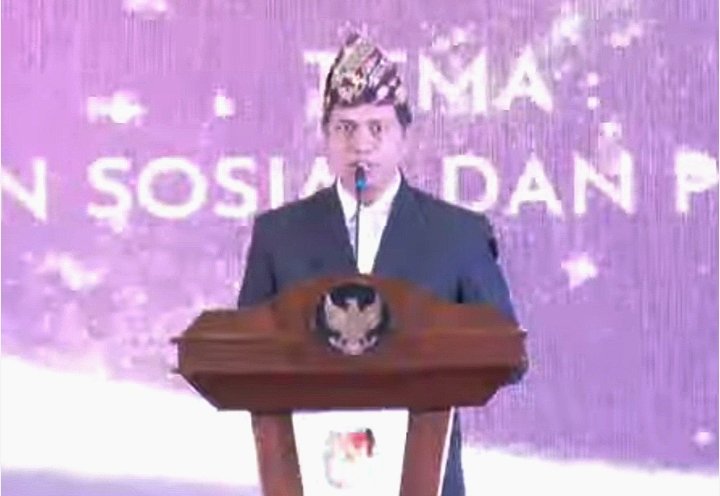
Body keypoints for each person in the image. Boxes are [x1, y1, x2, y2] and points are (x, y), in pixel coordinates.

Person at [238, 32, 524, 496]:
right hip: (313, 477)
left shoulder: (458, 234)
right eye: (345, 128)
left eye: (377, 128)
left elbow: (509, 357)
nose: (361, 145)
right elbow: (242, 355)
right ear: (325, 137)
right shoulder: (278, 234)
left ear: (404, 137)